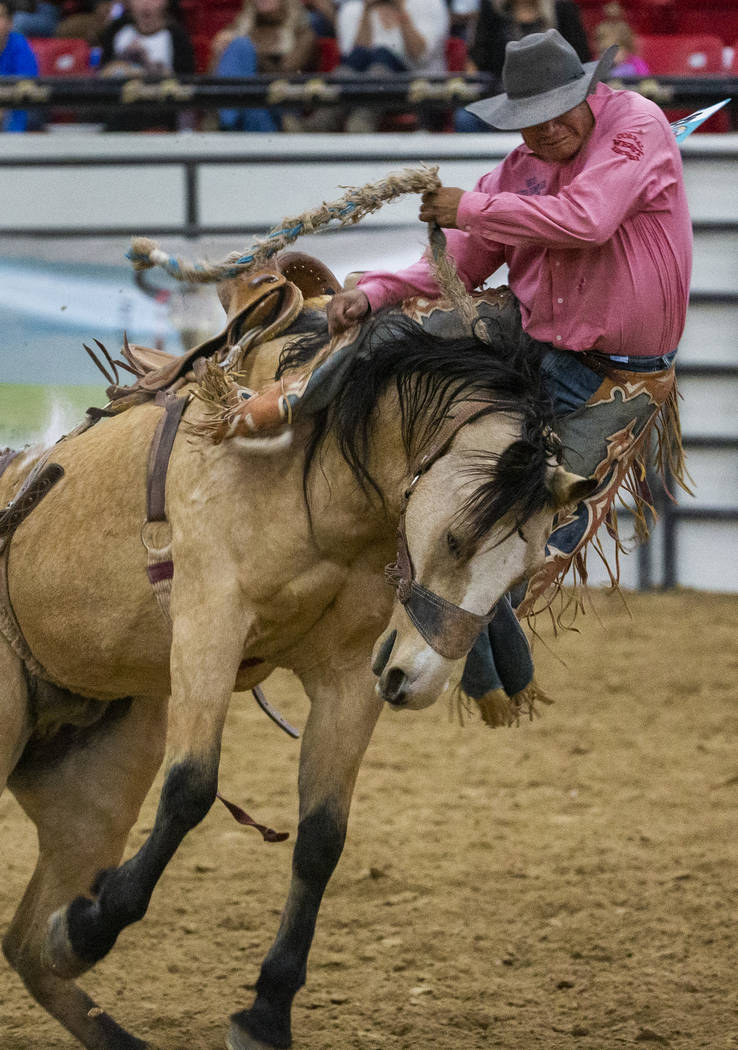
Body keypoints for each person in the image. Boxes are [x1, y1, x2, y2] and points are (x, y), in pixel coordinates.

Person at [317, 29, 692, 715]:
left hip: (618, 381)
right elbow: (461, 259)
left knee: (526, 532)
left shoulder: (634, 125)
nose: (547, 130)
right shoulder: (520, 169)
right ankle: (483, 659)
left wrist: (468, 207)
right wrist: (371, 293)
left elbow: (589, 220)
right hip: (535, 350)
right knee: (465, 485)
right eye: (531, 118)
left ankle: (485, 665)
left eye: (559, 112)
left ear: (589, 95)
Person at [455, 0, 590, 131]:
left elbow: (581, 58)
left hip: (558, 94)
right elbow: (476, 59)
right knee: (465, 118)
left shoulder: (562, 8)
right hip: (503, 95)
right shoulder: (492, 9)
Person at [212, 0, 317, 133]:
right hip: (244, 103)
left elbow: (286, 74)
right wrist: (218, 53)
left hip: (278, 103)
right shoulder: (238, 28)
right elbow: (214, 76)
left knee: (241, 47)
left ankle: (228, 122)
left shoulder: (302, 32)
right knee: (239, 47)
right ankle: (231, 117)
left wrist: (251, 53)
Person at [98, 0, 195, 129]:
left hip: (162, 113)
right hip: (118, 110)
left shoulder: (176, 36)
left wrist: (146, 64)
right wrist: (124, 60)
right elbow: (103, 73)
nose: (146, 4)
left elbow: (183, 84)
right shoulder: (117, 30)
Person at [0, 0, 39, 132]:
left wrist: (3, 106)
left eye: (0, 16)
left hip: (14, 107)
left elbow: (27, 86)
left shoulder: (19, 44)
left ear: (10, 23)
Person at [593, 2, 650, 78]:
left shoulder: (636, 65)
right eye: (603, 51)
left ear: (627, 50)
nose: (609, 56)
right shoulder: (597, 68)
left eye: (616, 51)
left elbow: (646, 82)